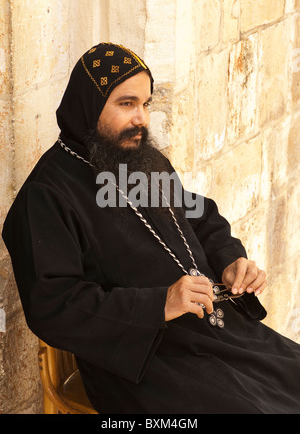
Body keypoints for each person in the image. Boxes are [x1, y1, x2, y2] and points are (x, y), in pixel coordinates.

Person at [2, 42, 300, 414]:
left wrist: (230, 260)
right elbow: (54, 306)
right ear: (89, 105)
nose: (142, 118)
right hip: (143, 363)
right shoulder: (46, 196)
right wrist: (159, 304)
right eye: (126, 104)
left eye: (146, 104)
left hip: (218, 334)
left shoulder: (142, 160)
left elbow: (200, 216)